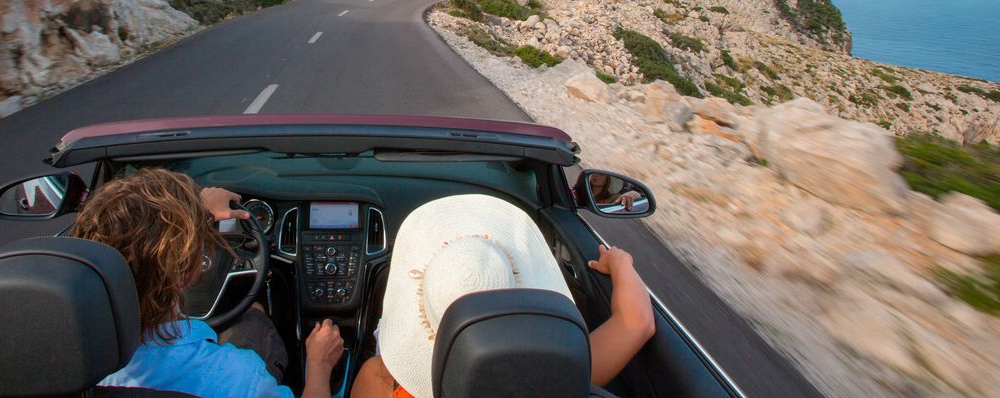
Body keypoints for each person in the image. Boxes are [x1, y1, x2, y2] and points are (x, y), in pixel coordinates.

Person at [70, 167, 344, 398]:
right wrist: (319, 366)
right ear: (187, 272)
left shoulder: (72, 360)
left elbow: (134, 238)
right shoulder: (238, 377)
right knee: (254, 316)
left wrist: (195, 209)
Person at [351, 194, 655, 398]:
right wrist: (620, 262)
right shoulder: (559, 375)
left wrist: (320, 368)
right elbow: (637, 321)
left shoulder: (378, 381)